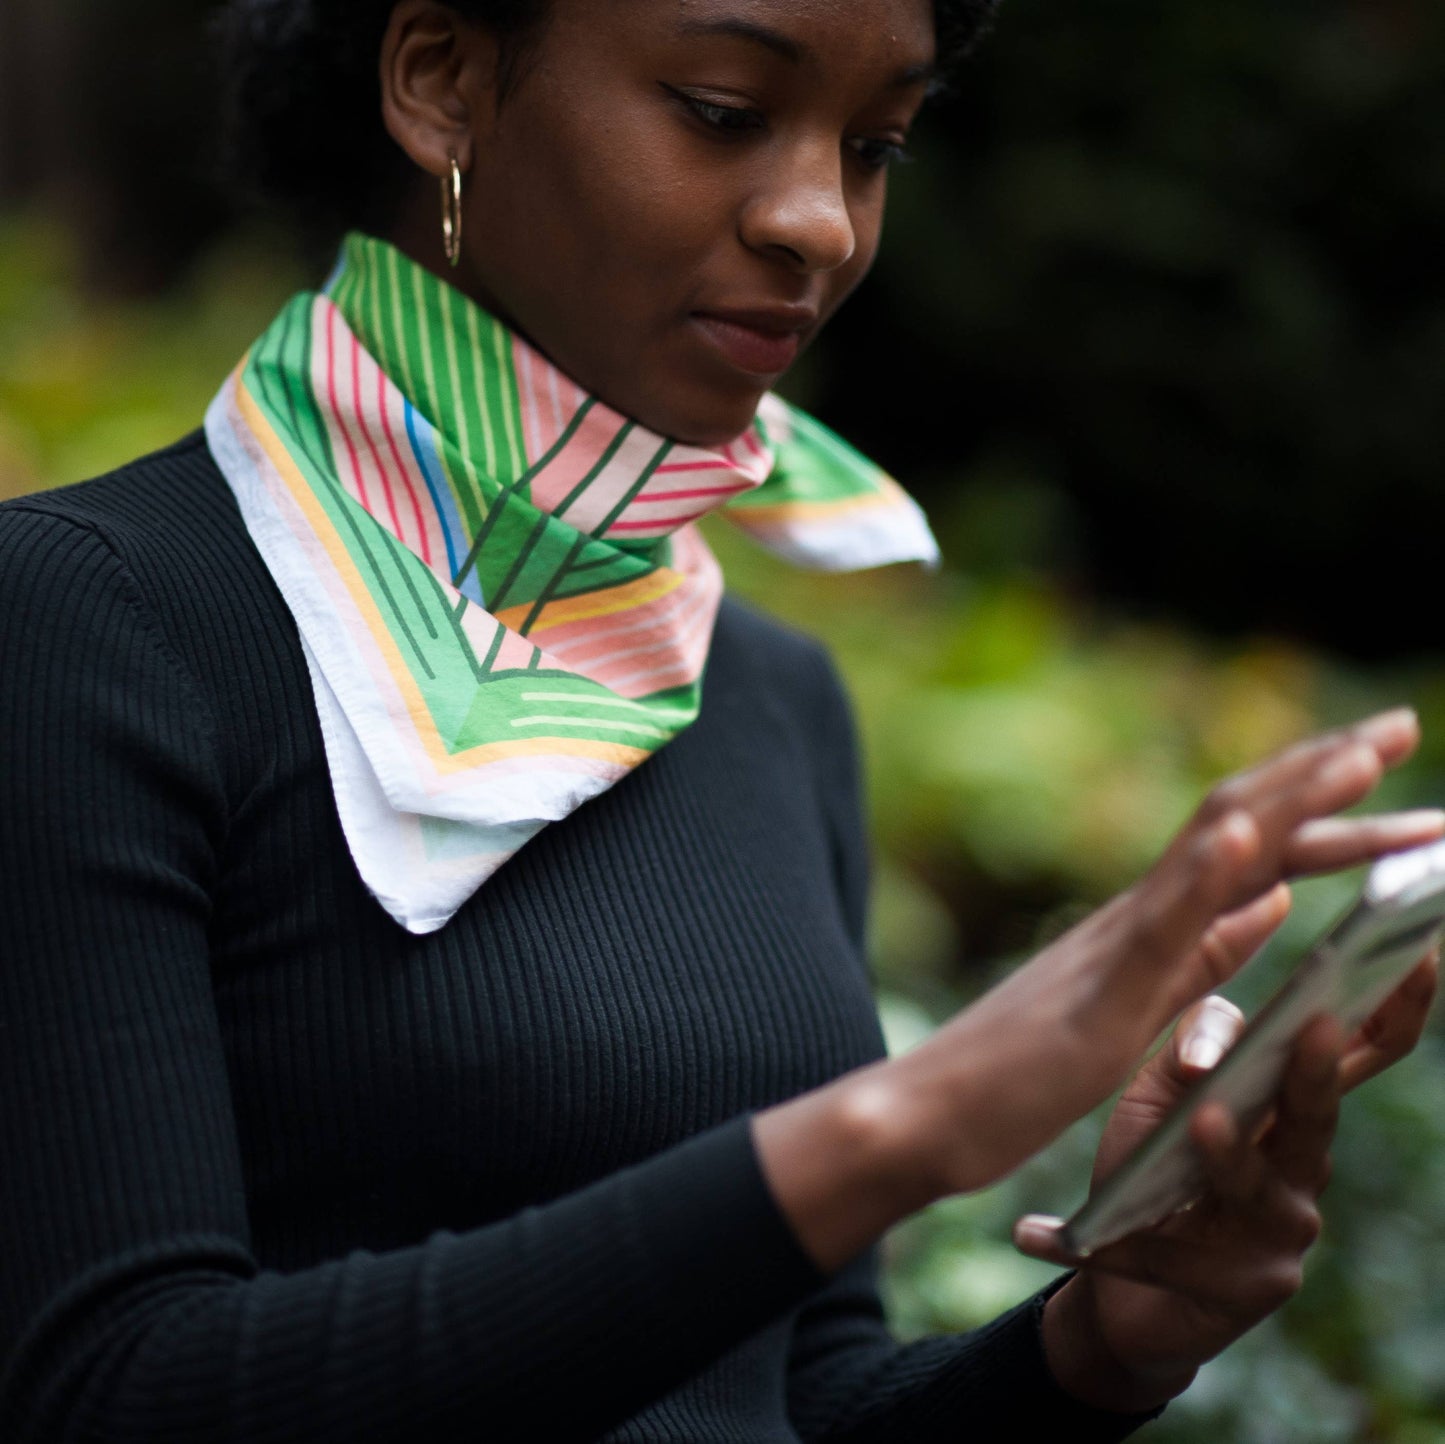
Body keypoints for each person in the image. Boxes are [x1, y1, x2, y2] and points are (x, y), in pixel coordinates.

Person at [0, 1, 1439, 1440]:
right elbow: (115, 1387)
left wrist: (1093, 1350)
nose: (821, 221)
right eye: (720, 108)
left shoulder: (767, 696)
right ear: (441, 81)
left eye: (875, 144)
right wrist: (893, 1131)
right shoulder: (89, 622)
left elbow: (787, 1395)